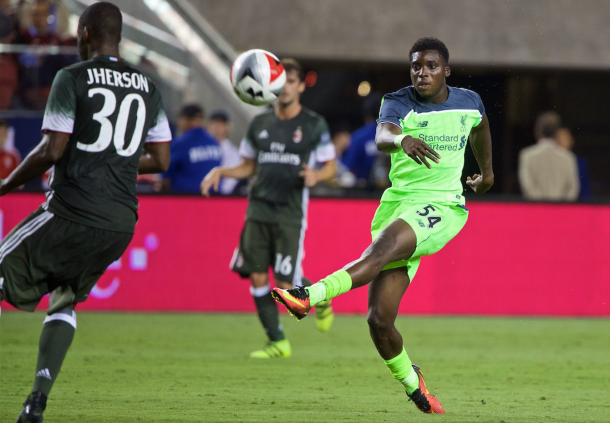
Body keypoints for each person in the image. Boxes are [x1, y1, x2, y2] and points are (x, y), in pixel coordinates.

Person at [272, 38, 494, 414]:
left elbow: (480, 127)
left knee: (379, 253)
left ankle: (309, 296)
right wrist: (402, 138)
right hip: (397, 204)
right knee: (379, 320)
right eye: (416, 66)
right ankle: (414, 382)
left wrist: (486, 174)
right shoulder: (399, 100)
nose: (422, 73)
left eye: (431, 66)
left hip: (442, 206)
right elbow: (382, 135)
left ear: (447, 71)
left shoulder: (468, 100)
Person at [0, 3, 171, 421]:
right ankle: (36, 402)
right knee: (65, 302)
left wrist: (5, 184)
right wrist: (118, 161)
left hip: (70, 209)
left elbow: (51, 150)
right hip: (118, 224)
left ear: (86, 33)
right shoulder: (147, 86)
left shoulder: (71, 77)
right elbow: (161, 159)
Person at [201, 59, 337, 358]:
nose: (285, 87)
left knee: (286, 283)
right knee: (257, 275)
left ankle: (321, 297)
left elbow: (331, 167)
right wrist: (222, 172)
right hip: (258, 209)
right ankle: (277, 340)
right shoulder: (260, 123)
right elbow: (248, 166)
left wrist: (317, 175)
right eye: (280, 81)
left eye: (291, 81)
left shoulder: (314, 124)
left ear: (301, 85)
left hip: (289, 212)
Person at [160, 104, 221, 194]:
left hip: (185, 198)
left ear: (185, 119)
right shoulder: (214, 142)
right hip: (213, 197)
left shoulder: (181, 143)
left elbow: (164, 172)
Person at [518, 111, 579, 202]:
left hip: (537, 211)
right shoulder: (568, 158)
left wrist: (542, 206)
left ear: (537, 131)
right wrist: (561, 207)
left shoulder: (527, 156)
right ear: (557, 132)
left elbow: (528, 187)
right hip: (561, 213)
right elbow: (572, 189)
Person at [342, 92, 384, 187]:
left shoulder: (358, 137)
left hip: (363, 194)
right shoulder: (397, 135)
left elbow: (348, 168)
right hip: (393, 191)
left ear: (366, 114)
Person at [207, 110, 241, 194]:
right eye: (214, 123)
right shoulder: (202, 147)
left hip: (221, 195)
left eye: (220, 124)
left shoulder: (233, 151)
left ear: (227, 127)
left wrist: (221, 193)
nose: (216, 127)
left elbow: (233, 178)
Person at [554, 126, 592, 201]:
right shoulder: (549, 163)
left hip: (575, 205)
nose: (561, 141)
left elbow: (585, 190)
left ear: (571, 140)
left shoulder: (580, 163)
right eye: (558, 138)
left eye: (564, 137)